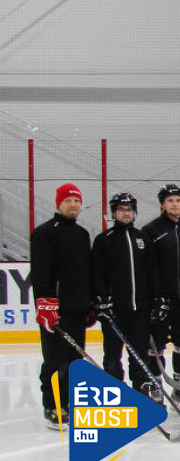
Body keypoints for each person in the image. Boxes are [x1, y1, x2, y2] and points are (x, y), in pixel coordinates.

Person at [31, 183, 91, 428]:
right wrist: (44, 304)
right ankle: (53, 405)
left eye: (76, 201)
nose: (73, 205)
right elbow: (41, 272)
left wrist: (88, 304)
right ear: (58, 203)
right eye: (68, 200)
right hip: (55, 310)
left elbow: (85, 273)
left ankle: (72, 402)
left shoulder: (82, 234)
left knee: (75, 360)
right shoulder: (45, 233)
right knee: (55, 360)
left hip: (78, 308)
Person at [92, 192, 163, 399]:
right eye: (121, 210)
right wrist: (101, 301)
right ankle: (113, 396)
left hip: (140, 310)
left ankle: (140, 393)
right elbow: (96, 273)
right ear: (114, 213)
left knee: (139, 354)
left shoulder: (142, 238)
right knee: (112, 355)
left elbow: (153, 272)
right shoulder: (104, 240)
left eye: (129, 209)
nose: (126, 213)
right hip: (115, 310)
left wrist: (158, 299)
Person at [143, 183, 180, 410]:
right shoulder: (151, 230)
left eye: (178, 200)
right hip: (160, 300)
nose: (175, 204)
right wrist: (156, 297)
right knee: (156, 345)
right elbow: (149, 268)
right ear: (162, 204)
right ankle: (156, 386)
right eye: (170, 201)